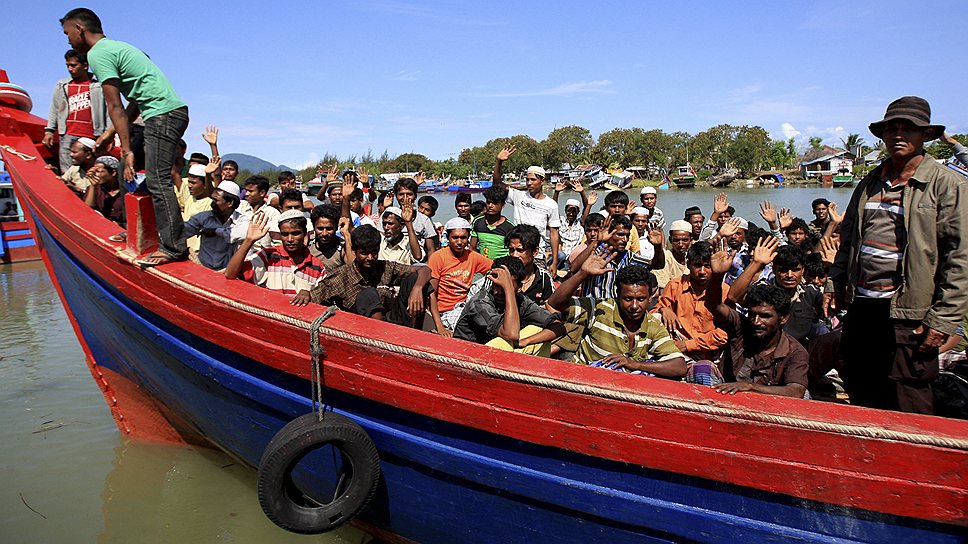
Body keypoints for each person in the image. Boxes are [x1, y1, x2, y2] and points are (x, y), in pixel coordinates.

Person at [832, 96, 968, 414]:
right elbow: (848, 239)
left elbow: (959, 257)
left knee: (911, 390)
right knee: (861, 380)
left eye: (908, 128)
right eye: (891, 129)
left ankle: (917, 461)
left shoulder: (946, 185)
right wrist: (835, 283)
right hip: (864, 305)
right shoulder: (869, 183)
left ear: (924, 135)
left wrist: (945, 318)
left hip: (910, 311)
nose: (898, 135)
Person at [62, 8, 190, 267]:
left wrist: (127, 149)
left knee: (157, 179)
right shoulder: (118, 47)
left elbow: (115, 105)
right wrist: (111, 133)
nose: (67, 40)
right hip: (161, 114)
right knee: (123, 170)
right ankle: (135, 230)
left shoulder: (98, 54)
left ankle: (173, 247)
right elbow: (135, 99)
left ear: (79, 29)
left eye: (67, 34)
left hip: (163, 116)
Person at [546, 252, 686, 378]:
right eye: (628, 299)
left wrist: (634, 364)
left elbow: (679, 366)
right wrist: (582, 274)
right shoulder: (600, 309)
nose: (635, 306)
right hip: (582, 380)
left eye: (641, 299)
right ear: (618, 296)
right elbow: (555, 303)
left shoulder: (653, 325)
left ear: (650, 298)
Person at [704, 243, 809, 398]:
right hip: (724, 397)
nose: (757, 322)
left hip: (769, 408)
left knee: (806, 396)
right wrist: (717, 276)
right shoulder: (741, 327)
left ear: (783, 318)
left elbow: (795, 391)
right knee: (701, 369)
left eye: (765, 316)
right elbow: (715, 305)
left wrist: (749, 388)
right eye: (753, 315)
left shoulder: (795, 352)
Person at [310, 225, 432, 327]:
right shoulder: (341, 276)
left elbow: (424, 269)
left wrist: (417, 288)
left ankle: (414, 332)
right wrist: (305, 294)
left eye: (374, 252)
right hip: (361, 329)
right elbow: (314, 297)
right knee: (368, 294)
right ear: (354, 251)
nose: (370, 258)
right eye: (364, 253)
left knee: (415, 279)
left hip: (392, 323)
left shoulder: (384, 267)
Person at [453, 256, 564, 356]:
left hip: (491, 356)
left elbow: (559, 327)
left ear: (520, 287)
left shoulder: (521, 301)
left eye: (505, 287)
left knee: (537, 330)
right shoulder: (480, 303)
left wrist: (527, 341)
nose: (499, 292)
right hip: (465, 355)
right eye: (497, 285)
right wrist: (508, 289)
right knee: (506, 342)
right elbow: (511, 334)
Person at [728, 237, 826, 345]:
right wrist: (756, 263)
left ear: (803, 270)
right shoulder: (762, 290)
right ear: (774, 269)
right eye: (783, 270)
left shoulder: (811, 294)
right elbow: (733, 296)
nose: (789, 275)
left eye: (795, 270)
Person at [225, 209, 326, 306]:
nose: (290, 239)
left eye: (295, 233)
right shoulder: (269, 256)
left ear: (304, 232)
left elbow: (322, 300)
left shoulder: (317, 267)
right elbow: (230, 274)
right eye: (285, 234)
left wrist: (309, 294)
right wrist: (249, 240)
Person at [491, 145, 561, 276]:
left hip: (537, 255)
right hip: (518, 253)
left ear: (542, 181)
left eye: (533, 179)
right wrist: (499, 162)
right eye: (527, 179)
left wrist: (555, 262)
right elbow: (497, 183)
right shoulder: (519, 196)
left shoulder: (551, 204)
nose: (529, 183)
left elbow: (554, 234)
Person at [656, 241, 730, 364]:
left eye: (707, 266)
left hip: (708, 353)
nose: (702, 272)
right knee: (656, 317)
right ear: (689, 264)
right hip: (676, 346)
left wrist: (688, 345)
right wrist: (664, 309)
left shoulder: (725, 291)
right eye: (697, 265)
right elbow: (655, 313)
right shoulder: (675, 285)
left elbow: (723, 334)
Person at [43, 49, 110, 172]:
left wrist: (108, 135)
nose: (69, 69)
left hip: (93, 134)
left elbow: (109, 110)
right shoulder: (62, 85)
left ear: (85, 65)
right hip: (68, 133)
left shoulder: (99, 85)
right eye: (67, 65)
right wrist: (49, 130)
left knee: (95, 169)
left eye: (73, 65)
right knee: (67, 170)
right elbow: (55, 108)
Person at [428, 217, 493, 336]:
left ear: (468, 238)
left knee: (491, 277)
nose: (459, 242)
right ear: (448, 238)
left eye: (463, 237)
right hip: (445, 310)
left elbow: (495, 267)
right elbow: (431, 293)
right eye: (455, 237)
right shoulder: (438, 257)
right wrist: (440, 327)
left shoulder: (472, 256)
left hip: (465, 304)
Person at [571, 214, 656, 300]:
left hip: (619, 311)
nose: (625, 239)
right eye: (620, 235)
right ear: (608, 234)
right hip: (595, 309)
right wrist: (597, 241)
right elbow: (573, 268)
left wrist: (658, 247)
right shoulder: (595, 255)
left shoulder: (631, 257)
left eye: (627, 235)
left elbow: (656, 264)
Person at [182, 180, 248, 270]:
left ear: (230, 203)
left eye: (216, 200)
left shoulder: (241, 220)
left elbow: (238, 234)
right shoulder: (204, 217)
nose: (212, 204)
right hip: (201, 269)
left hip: (225, 272)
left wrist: (215, 231)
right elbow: (183, 231)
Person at [504, 224, 556, 304]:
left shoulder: (543, 278)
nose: (515, 255)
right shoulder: (502, 273)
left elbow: (551, 307)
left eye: (520, 250)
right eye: (511, 250)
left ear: (535, 251)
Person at [392, 177, 438, 258]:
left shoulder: (424, 220)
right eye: (401, 194)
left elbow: (431, 250)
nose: (405, 198)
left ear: (415, 196)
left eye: (409, 194)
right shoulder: (389, 215)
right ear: (396, 196)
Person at [237, 175, 281, 254]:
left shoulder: (272, 213)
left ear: (262, 193)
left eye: (250, 191)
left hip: (261, 256)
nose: (246, 194)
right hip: (237, 253)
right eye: (246, 190)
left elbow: (277, 241)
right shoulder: (240, 207)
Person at [470, 185, 514, 259]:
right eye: (488, 202)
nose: (490, 206)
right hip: (483, 267)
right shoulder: (478, 222)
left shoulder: (509, 227)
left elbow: (512, 252)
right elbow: (472, 248)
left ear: (503, 205)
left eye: (495, 203)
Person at [82, 155, 125, 227]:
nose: (96, 175)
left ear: (113, 173)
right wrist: (93, 186)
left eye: (98, 171)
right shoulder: (96, 189)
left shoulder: (124, 191)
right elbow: (87, 210)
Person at [652, 220, 694, 289]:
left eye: (685, 240)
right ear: (670, 240)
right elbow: (663, 290)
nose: (680, 244)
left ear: (691, 240)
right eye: (676, 240)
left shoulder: (692, 259)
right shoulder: (663, 259)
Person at [309, 204, 348, 269]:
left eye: (329, 229)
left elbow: (353, 268)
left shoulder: (343, 247)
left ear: (336, 227)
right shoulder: (307, 242)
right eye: (320, 229)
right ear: (314, 227)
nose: (324, 233)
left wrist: (347, 235)